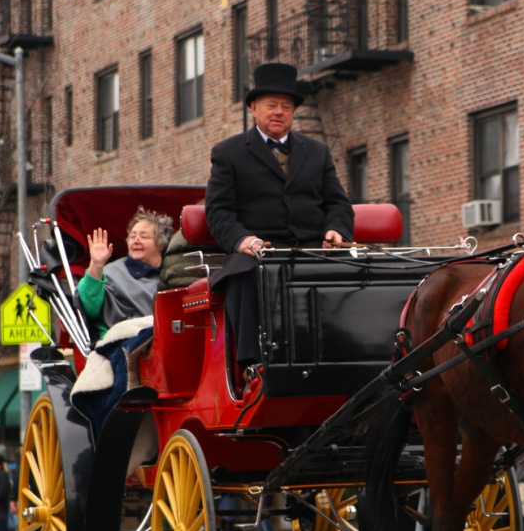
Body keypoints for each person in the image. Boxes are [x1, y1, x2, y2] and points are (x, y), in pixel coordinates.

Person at [205, 63, 353, 384]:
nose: (279, 112)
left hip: (313, 250)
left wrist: (336, 230)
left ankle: (352, 355)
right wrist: (244, 240)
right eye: (271, 105)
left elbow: (338, 203)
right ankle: (253, 365)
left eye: (286, 107)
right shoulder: (228, 153)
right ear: (254, 108)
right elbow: (218, 212)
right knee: (245, 273)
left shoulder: (317, 152)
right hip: (256, 252)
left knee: (359, 272)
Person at [77, 208, 173, 334]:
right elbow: (90, 307)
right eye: (132, 236)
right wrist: (96, 265)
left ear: (161, 245)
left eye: (144, 236)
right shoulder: (112, 272)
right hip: (122, 341)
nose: (136, 240)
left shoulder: (172, 272)